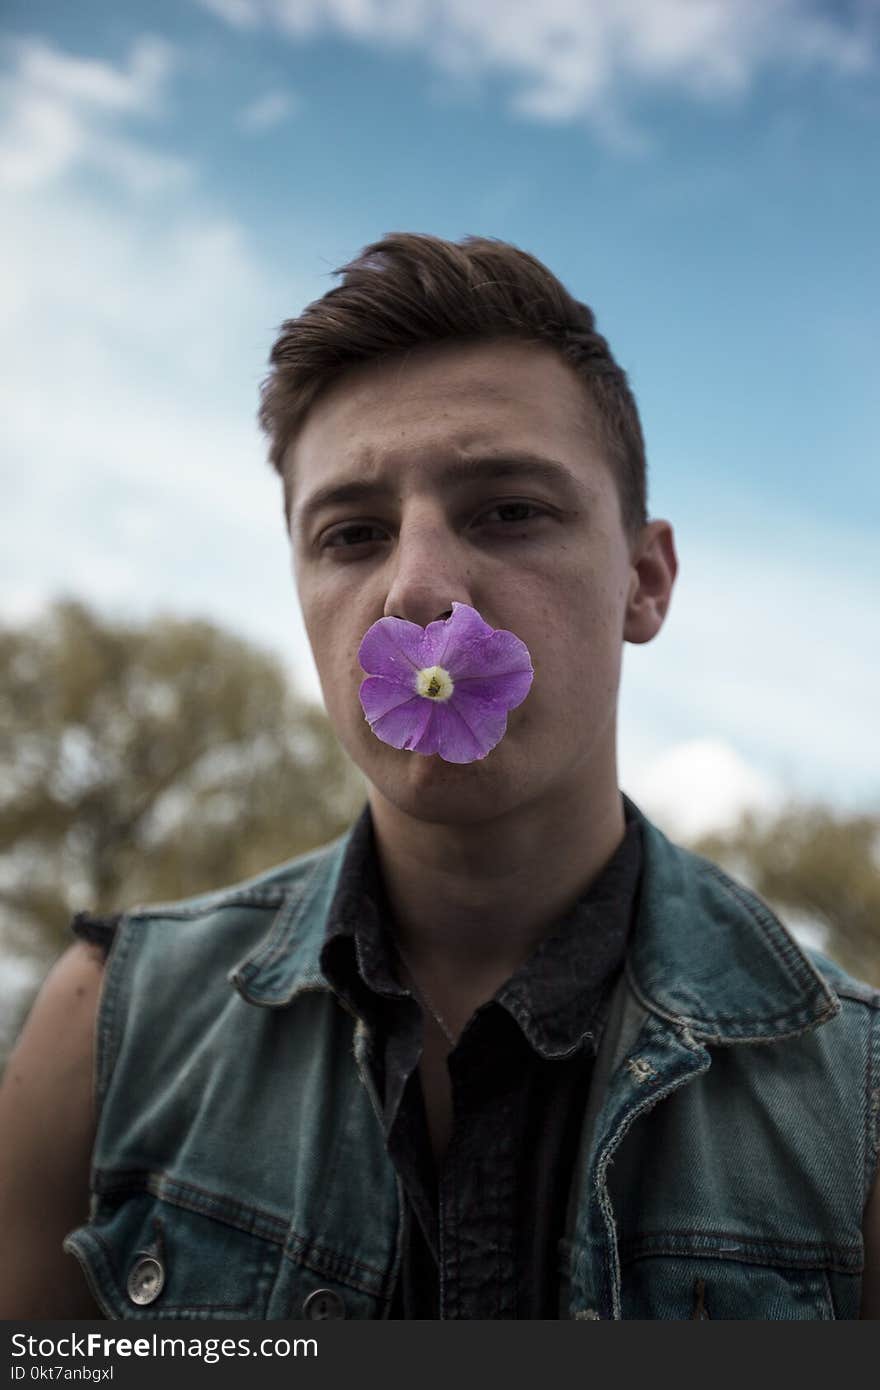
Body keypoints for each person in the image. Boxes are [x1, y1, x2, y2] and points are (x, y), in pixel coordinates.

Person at [1, 233, 878, 1320]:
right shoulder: (100, 1031)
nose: (418, 590)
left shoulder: (858, 1102)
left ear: (644, 583)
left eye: (508, 510)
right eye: (353, 532)